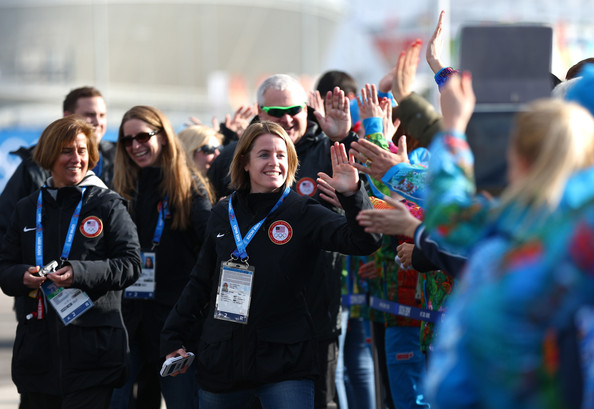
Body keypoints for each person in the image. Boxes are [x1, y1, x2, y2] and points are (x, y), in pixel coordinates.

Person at [160, 120, 381, 408]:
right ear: (245, 163)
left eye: (281, 155)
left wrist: (353, 196)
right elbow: (201, 281)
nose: (274, 162)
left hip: (285, 362)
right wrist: (173, 336)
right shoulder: (223, 212)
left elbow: (366, 242)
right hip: (223, 361)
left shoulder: (303, 211)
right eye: (264, 154)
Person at [207, 73, 358, 408]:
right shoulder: (232, 158)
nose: (288, 118)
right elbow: (212, 242)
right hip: (241, 324)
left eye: (295, 109)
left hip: (315, 315)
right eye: (277, 111)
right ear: (260, 112)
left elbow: (366, 200)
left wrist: (344, 138)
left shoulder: (329, 150)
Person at [0, 115, 142, 409]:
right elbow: (4, 266)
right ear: (49, 155)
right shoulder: (26, 208)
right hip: (38, 355)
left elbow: (130, 264)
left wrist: (79, 272)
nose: (76, 158)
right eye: (67, 150)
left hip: (94, 354)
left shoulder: (107, 204)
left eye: (82, 150)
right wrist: (21, 275)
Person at [110, 105, 213, 409]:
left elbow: (211, 248)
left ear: (164, 137)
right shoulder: (121, 188)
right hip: (129, 321)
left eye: (143, 136)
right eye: (127, 140)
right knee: (118, 401)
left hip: (175, 324)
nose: (135, 146)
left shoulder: (188, 187)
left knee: (183, 402)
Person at [0, 86, 115, 241]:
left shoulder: (121, 159)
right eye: (90, 115)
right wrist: (20, 265)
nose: (98, 122)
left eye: (102, 115)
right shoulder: (34, 166)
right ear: (67, 117)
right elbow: (5, 224)